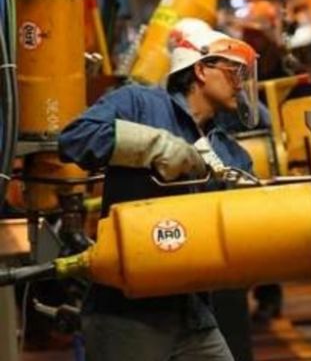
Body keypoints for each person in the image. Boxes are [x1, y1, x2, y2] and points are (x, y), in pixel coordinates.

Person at [58, 22, 258, 361]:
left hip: (193, 312)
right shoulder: (139, 104)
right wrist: (154, 145)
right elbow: (74, 139)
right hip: (128, 313)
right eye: (233, 71)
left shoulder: (230, 154)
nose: (240, 84)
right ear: (201, 70)